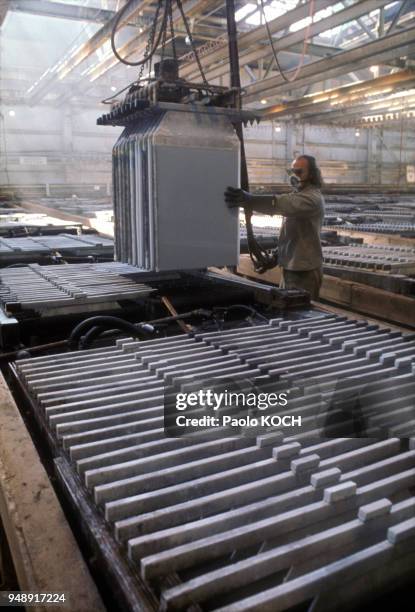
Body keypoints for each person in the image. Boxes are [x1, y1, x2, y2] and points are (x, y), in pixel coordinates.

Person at [225, 154, 325, 300]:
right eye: (292, 172)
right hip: (291, 267)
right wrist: (276, 257)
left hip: (305, 271)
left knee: (298, 313)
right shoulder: (299, 195)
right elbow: (292, 235)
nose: (294, 176)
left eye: (299, 172)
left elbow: (279, 204)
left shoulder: (312, 199)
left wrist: (250, 200)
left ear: (312, 174)